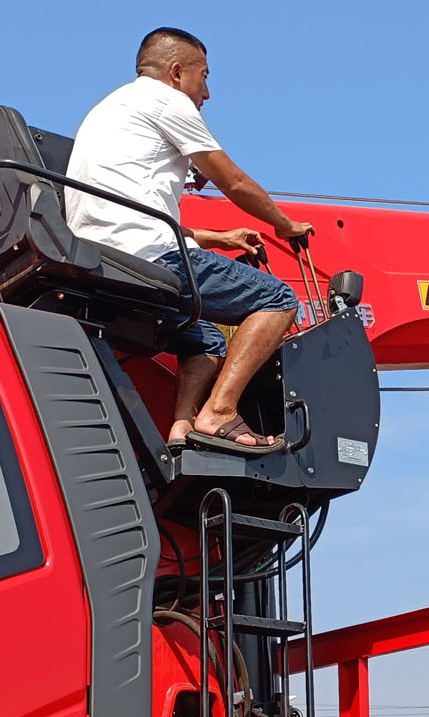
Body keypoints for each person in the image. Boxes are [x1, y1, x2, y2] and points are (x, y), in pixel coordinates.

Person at [65, 26, 312, 455]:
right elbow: (234, 182)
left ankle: (181, 428)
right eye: (205, 76)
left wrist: (218, 237)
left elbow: (129, 211)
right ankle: (219, 411)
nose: (207, 93)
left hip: (104, 261)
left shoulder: (107, 110)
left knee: (207, 339)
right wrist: (285, 224)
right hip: (152, 257)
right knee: (278, 299)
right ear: (177, 72)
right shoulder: (167, 100)